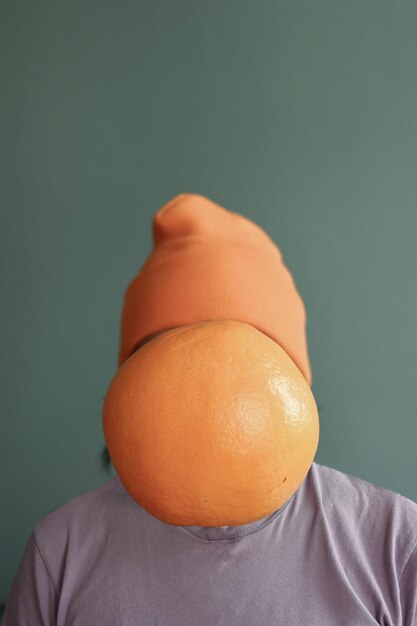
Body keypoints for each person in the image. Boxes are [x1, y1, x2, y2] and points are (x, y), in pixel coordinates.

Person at [2, 193, 417, 626]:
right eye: (173, 352)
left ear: (293, 385)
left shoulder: (396, 542)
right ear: (129, 382)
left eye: (243, 355)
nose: (214, 401)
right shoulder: (60, 551)